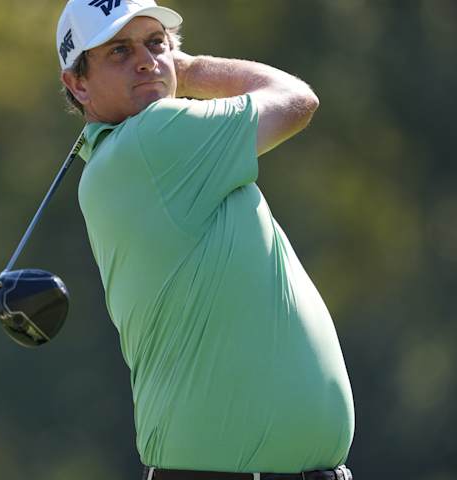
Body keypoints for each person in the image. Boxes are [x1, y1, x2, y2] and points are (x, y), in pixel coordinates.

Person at [56, 1, 355, 479]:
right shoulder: (153, 139)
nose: (147, 61)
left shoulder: (135, 157)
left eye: (157, 43)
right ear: (78, 83)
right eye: (119, 51)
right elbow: (296, 98)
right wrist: (190, 69)